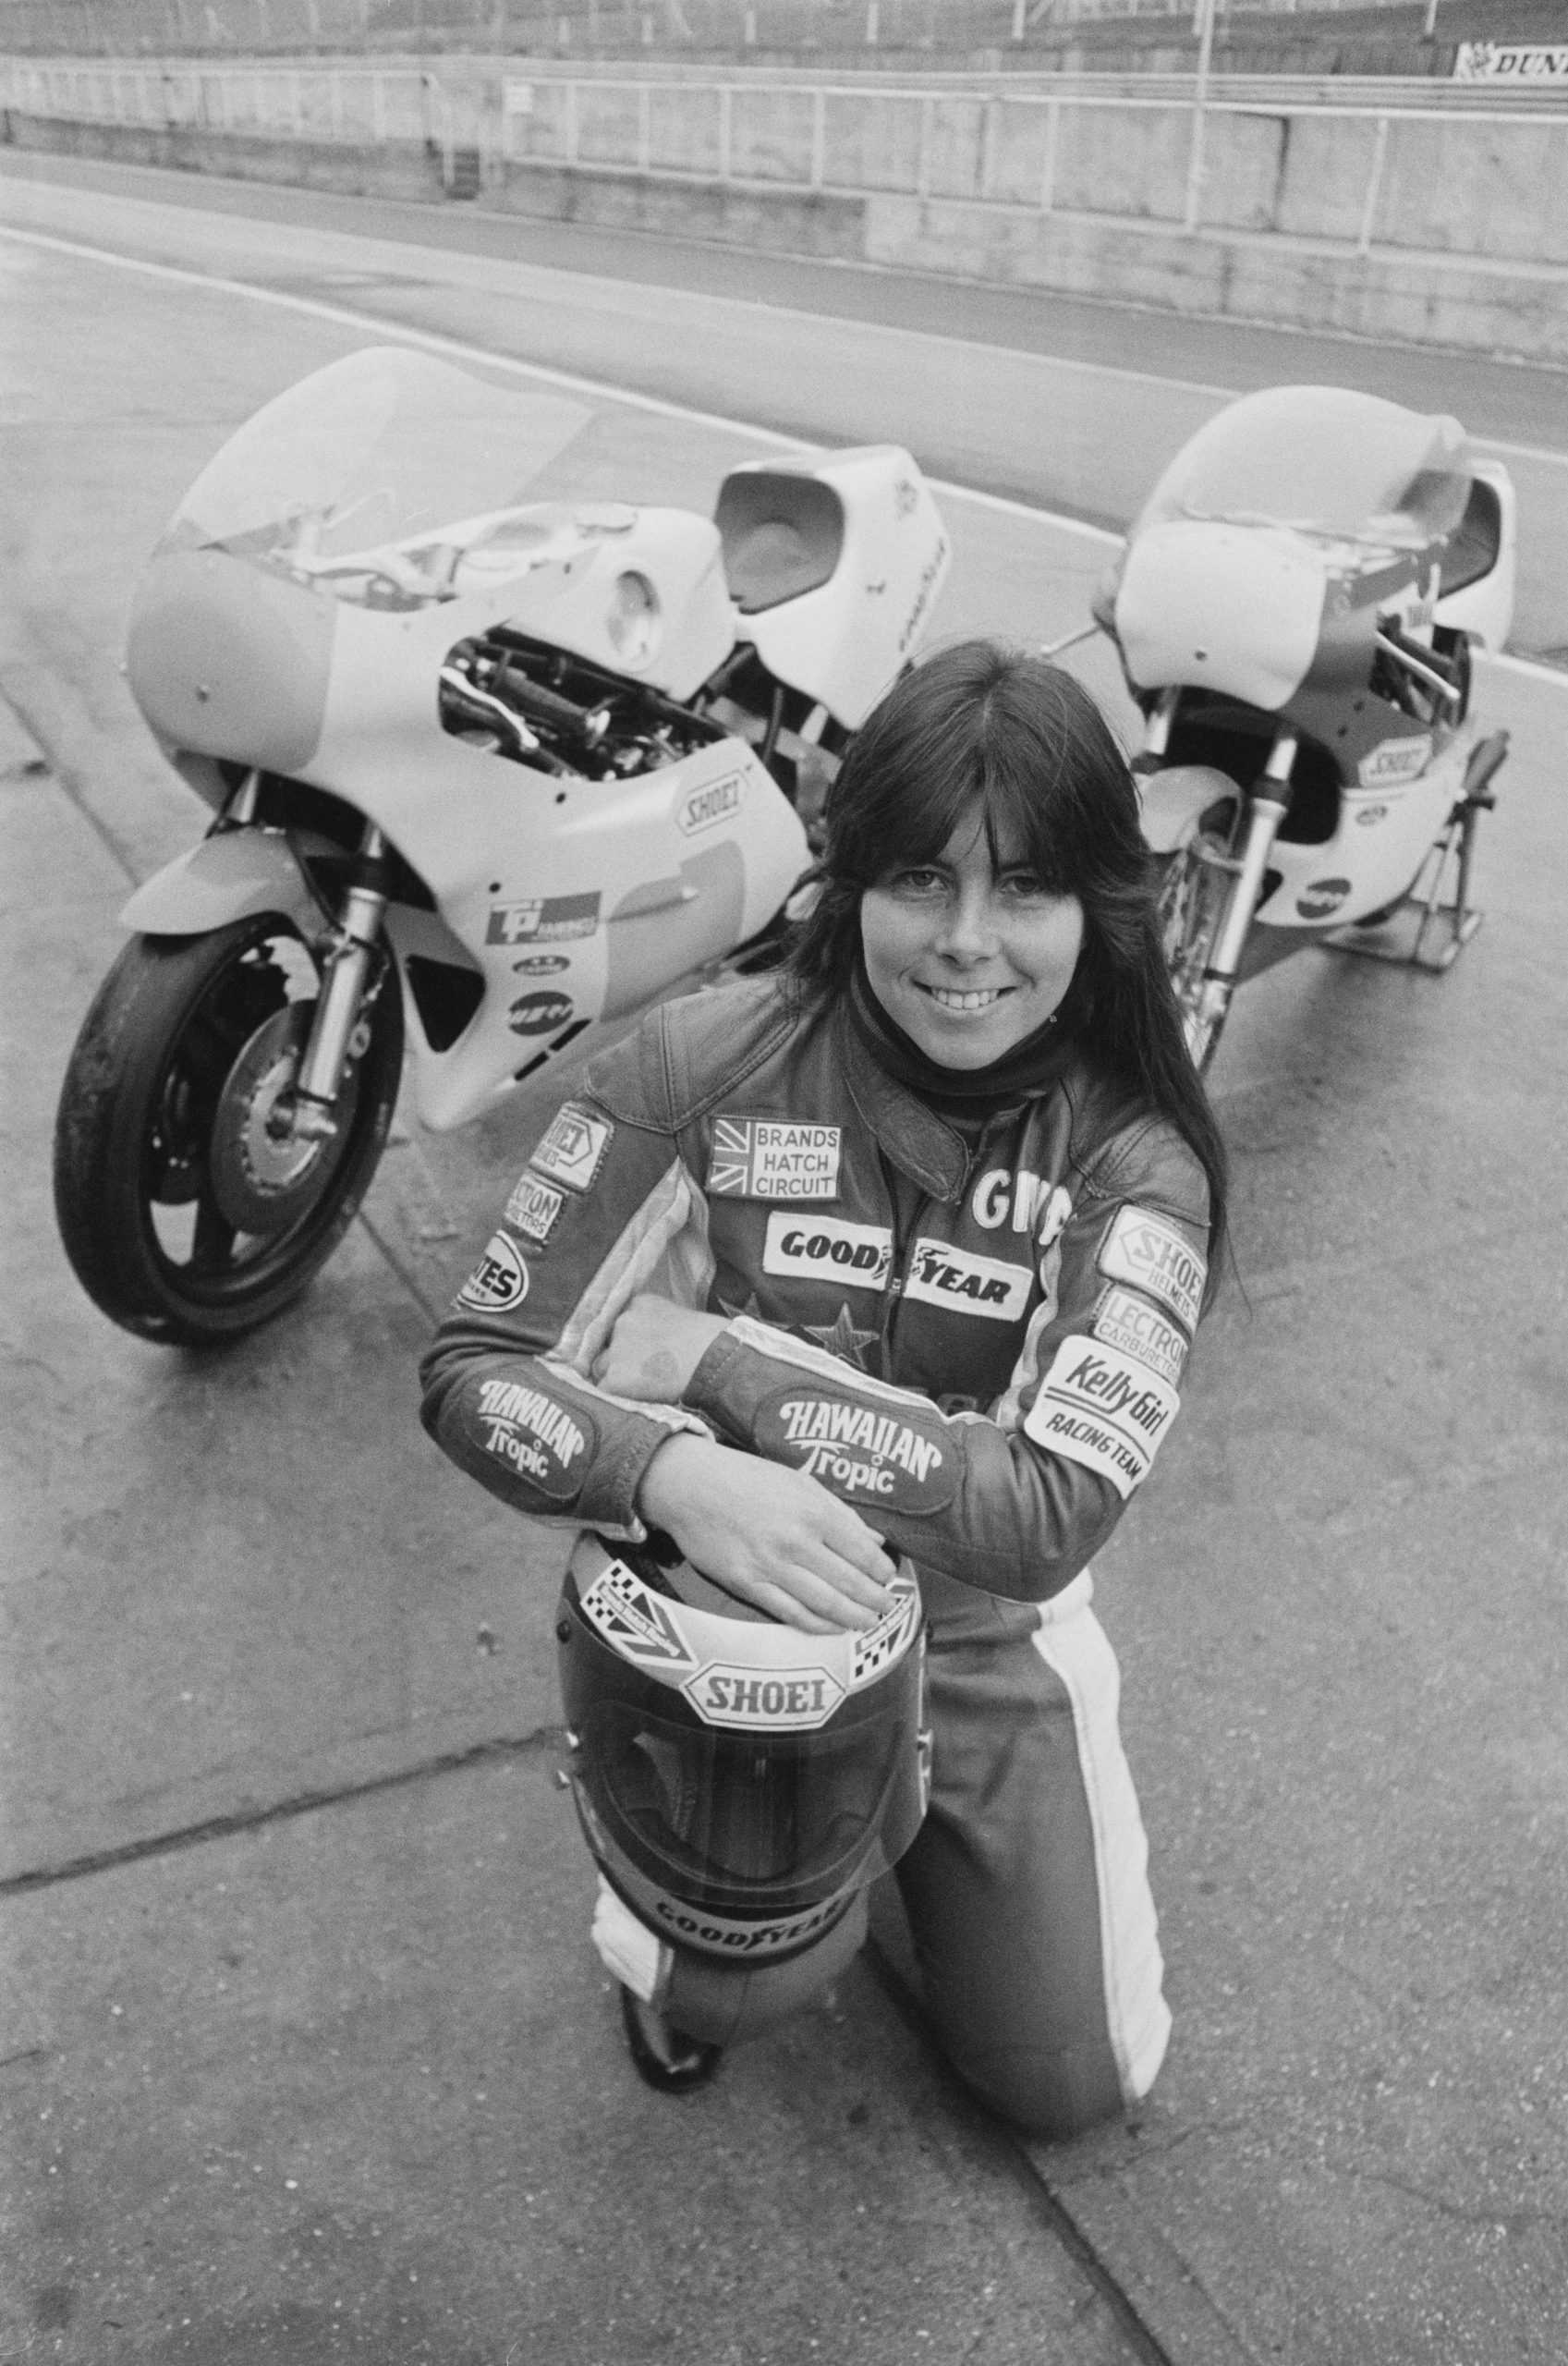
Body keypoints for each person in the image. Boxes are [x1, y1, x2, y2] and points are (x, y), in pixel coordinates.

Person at [419, 640, 1228, 2139]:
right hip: (735, 1604)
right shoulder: (691, 1062)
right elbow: (472, 1369)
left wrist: (712, 1366)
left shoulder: (1135, 1156)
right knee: (730, 1994)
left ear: (1097, 911)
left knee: (1072, 2087)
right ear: (845, 883)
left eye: (1026, 888)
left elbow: (1044, 1522)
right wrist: (666, 1475)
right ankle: (755, 1890)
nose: (968, 941)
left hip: (986, 1623)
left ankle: (914, 1835)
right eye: (920, 879)